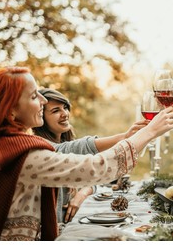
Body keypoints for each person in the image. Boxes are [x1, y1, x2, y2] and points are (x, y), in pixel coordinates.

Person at [0, 66, 173, 241]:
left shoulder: (1, 145)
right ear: (10, 112)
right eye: (34, 96)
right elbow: (97, 168)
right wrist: (149, 132)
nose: (42, 100)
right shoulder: (19, 155)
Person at [32, 88, 149, 225]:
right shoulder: (41, 146)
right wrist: (124, 137)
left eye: (65, 107)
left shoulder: (64, 142)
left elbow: (92, 177)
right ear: (41, 117)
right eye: (55, 111)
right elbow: (69, 150)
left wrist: (82, 193)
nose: (65, 114)